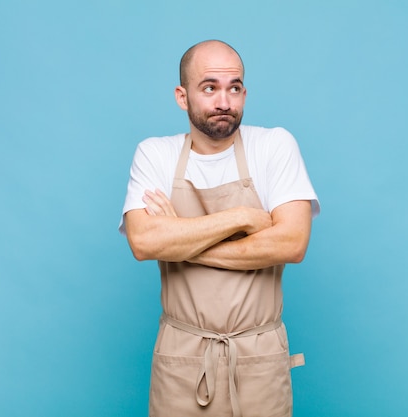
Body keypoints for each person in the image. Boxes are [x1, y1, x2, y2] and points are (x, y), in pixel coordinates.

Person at [119, 39, 320, 417]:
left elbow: (292, 243)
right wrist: (242, 218)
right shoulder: (154, 153)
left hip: (258, 356)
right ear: (182, 96)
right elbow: (144, 241)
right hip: (182, 356)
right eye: (209, 87)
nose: (224, 101)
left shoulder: (274, 145)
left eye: (235, 88)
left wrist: (179, 235)